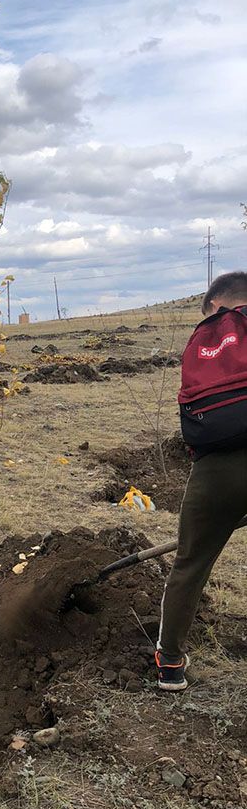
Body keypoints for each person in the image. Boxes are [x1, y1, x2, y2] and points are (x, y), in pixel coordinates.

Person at [156, 271, 247, 690]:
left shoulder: (205, 339)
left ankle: (170, 664)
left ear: (216, 305)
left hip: (216, 468)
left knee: (190, 564)